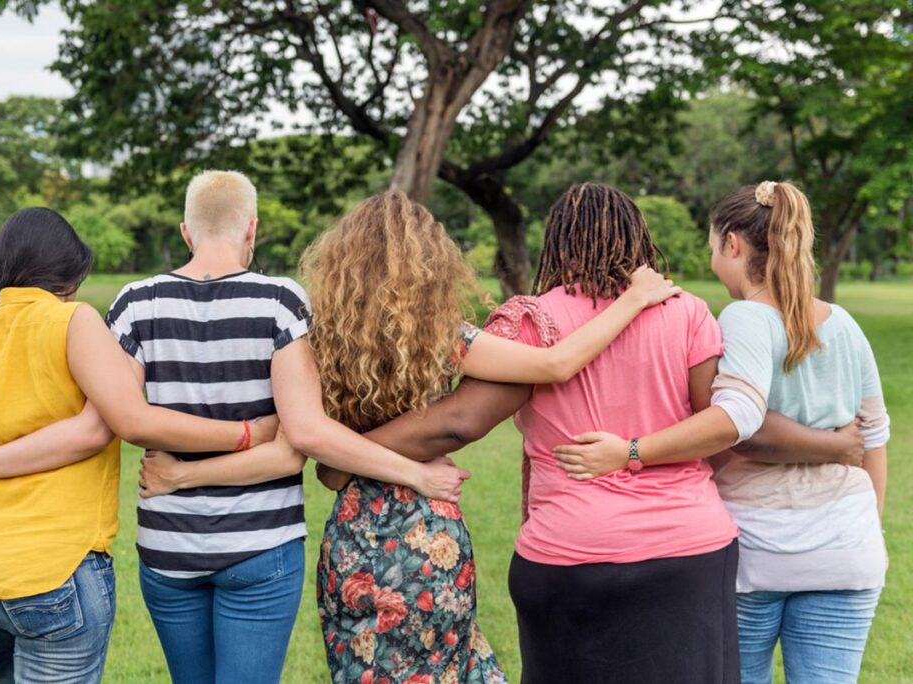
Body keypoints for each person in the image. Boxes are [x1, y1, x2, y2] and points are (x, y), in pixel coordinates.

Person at [319, 182, 865, 684]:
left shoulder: (532, 319)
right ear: (639, 237)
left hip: (570, 554)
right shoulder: (689, 312)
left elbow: (460, 422)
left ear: (557, 242)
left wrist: (348, 455)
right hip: (689, 550)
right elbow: (716, 428)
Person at [0, 173, 473, 684]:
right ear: (252, 228)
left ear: (185, 232)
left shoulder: (134, 303)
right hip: (263, 545)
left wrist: (175, 478)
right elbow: (294, 447)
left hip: (169, 547)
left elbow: (116, 418)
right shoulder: (282, 302)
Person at [142, 189, 682, 683]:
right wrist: (633, 299)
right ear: (431, 262)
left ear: (340, 263)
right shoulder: (445, 335)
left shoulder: (315, 337)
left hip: (352, 539)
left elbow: (312, 447)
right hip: (429, 531)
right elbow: (557, 364)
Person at [0, 207, 283, 683]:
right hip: (52, 571)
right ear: (68, 274)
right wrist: (246, 433)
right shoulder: (73, 322)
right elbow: (127, 421)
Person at [554, 181, 889, 684]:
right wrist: (866, 527)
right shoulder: (844, 323)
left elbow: (735, 422)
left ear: (732, 244)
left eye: (712, 246)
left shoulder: (745, 317)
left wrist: (630, 451)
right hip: (849, 549)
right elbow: (874, 439)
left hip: (760, 550)